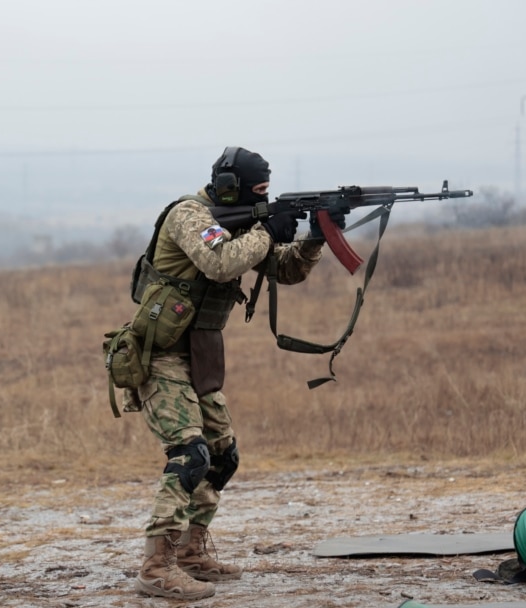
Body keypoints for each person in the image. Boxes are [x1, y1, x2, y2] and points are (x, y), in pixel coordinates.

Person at [127, 146, 339, 600]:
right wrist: (266, 230)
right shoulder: (190, 214)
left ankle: (190, 552)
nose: (265, 198)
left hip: (198, 356)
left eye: (268, 192)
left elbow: (285, 269)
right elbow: (220, 261)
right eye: (258, 192)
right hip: (160, 355)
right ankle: (155, 565)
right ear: (229, 189)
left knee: (223, 456)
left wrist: (318, 235)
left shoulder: (242, 226)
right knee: (190, 454)